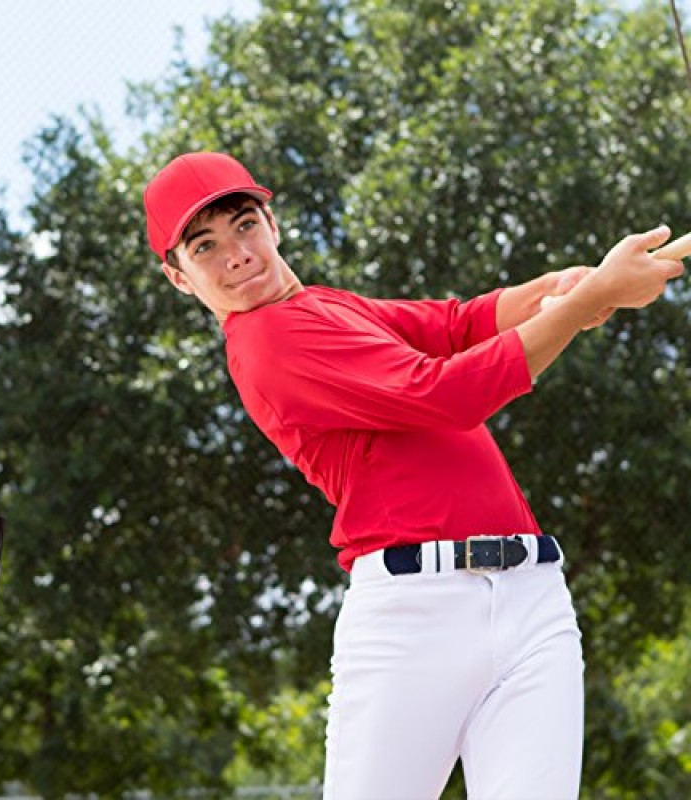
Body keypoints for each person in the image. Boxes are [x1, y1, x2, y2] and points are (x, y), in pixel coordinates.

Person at [143, 151, 684, 799]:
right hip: (414, 616)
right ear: (179, 277)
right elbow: (446, 395)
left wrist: (557, 291)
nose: (236, 253)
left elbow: (456, 326)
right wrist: (589, 300)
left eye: (244, 224)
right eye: (204, 246)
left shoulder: (327, 306)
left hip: (532, 593)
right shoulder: (266, 341)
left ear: (273, 224)